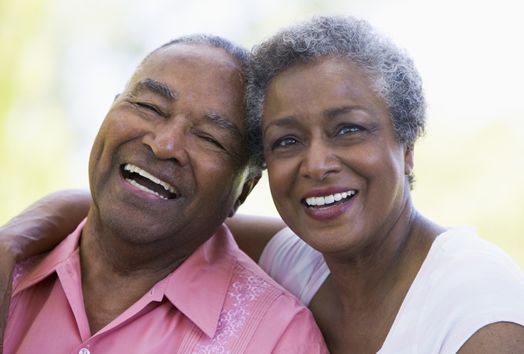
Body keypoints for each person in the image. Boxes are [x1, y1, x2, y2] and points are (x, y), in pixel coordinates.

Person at [2, 15, 524, 353]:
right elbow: (147, 212)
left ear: (407, 146)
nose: (317, 164)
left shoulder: (481, 310)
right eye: (287, 141)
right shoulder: (294, 257)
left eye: (348, 129)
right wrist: (11, 243)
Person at [0, 34, 328, 353]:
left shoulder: (278, 340)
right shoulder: (13, 269)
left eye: (211, 138)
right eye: (149, 106)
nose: (164, 145)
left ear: (243, 190)